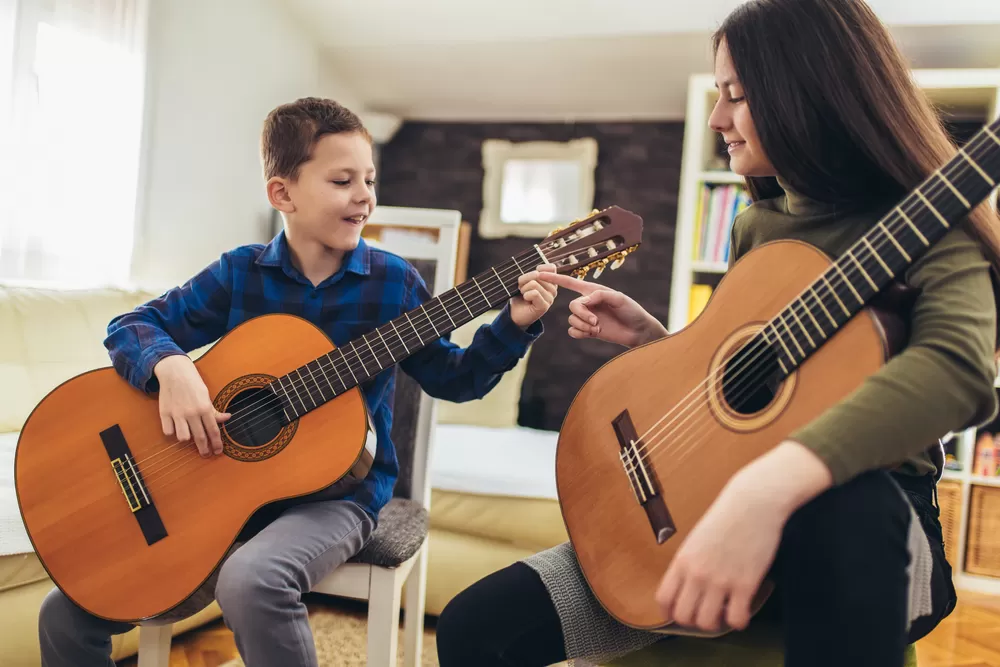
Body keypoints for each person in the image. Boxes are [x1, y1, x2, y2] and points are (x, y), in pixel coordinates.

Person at [435, 1, 1000, 666]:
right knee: (474, 628)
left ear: (809, 94)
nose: (715, 118)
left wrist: (770, 488)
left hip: (866, 533)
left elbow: (958, 371)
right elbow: (760, 383)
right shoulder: (756, 226)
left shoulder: (941, 227)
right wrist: (655, 342)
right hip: (714, 501)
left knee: (851, 502)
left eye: (736, 94)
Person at [37, 97, 557, 667]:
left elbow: (455, 380)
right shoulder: (240, 273)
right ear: (282, 193)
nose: (365, 196)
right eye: (342, 180)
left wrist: (513, 325)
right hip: (211, 493)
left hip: (336, 498)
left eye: (369, 179)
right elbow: (132, 325)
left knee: (251, 579)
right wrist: (171, 367)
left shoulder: (393, 283)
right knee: (62, 613)